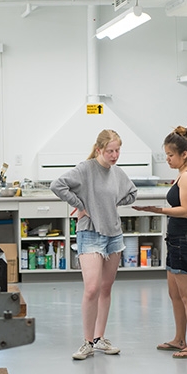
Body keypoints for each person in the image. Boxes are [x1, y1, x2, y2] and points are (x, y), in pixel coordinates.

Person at [50, 129, 137, 360]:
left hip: (114, 235)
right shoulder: (86, 169)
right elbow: (57, 185)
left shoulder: (117, 173)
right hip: (90, 232)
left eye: (118, 150)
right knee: (92, 289)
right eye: (110, 151)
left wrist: (112, 202)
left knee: (106, 288)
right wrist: (80, 204)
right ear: (99, 149)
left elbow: (132, 194)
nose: (115, 155)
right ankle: (87, 342)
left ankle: (99, 339)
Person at [133, 125, 187, 359]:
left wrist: (157, 209)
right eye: (166, 155)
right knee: (174, 294)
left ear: (184, 154)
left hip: (185, 240)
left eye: (171, 155)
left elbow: (185, 211)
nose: (167, 159)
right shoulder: (181, 175)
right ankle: (179, 339)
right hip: (175, 240)